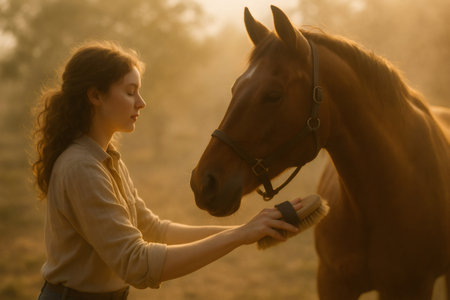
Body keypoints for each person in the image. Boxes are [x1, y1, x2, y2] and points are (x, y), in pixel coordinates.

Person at [32, 41, 301, 300]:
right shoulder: (81, 167)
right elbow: (136, 264)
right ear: (95, 95)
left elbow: (152, 229)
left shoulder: (107, 159)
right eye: (130, 91)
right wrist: (239, 235)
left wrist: (247, 230)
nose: (141, 102)